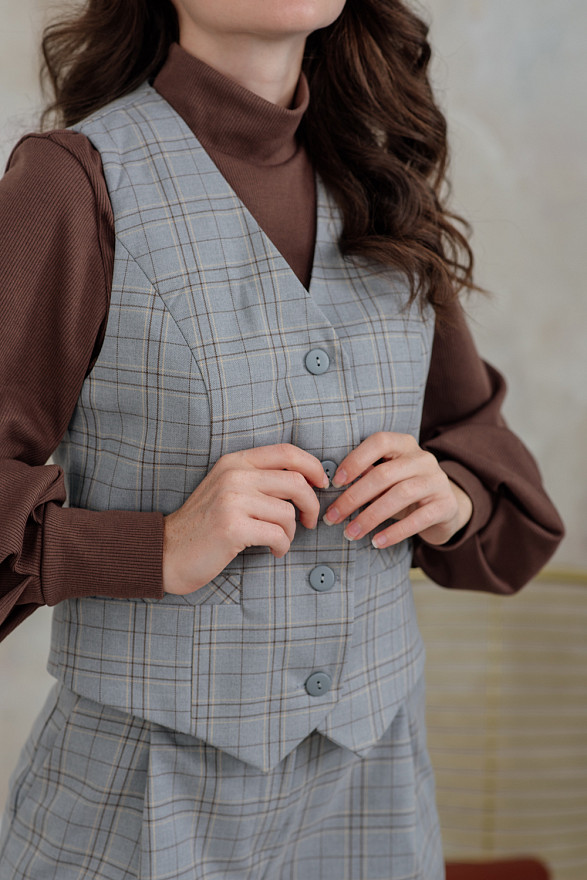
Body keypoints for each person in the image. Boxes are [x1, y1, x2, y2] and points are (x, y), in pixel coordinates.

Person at [0, 0, 564, 877]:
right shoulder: (73, 181)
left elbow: (477, 450)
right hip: (146, 803)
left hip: (375, 795)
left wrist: (451, 496)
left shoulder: (383, 181)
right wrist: (152, 548)